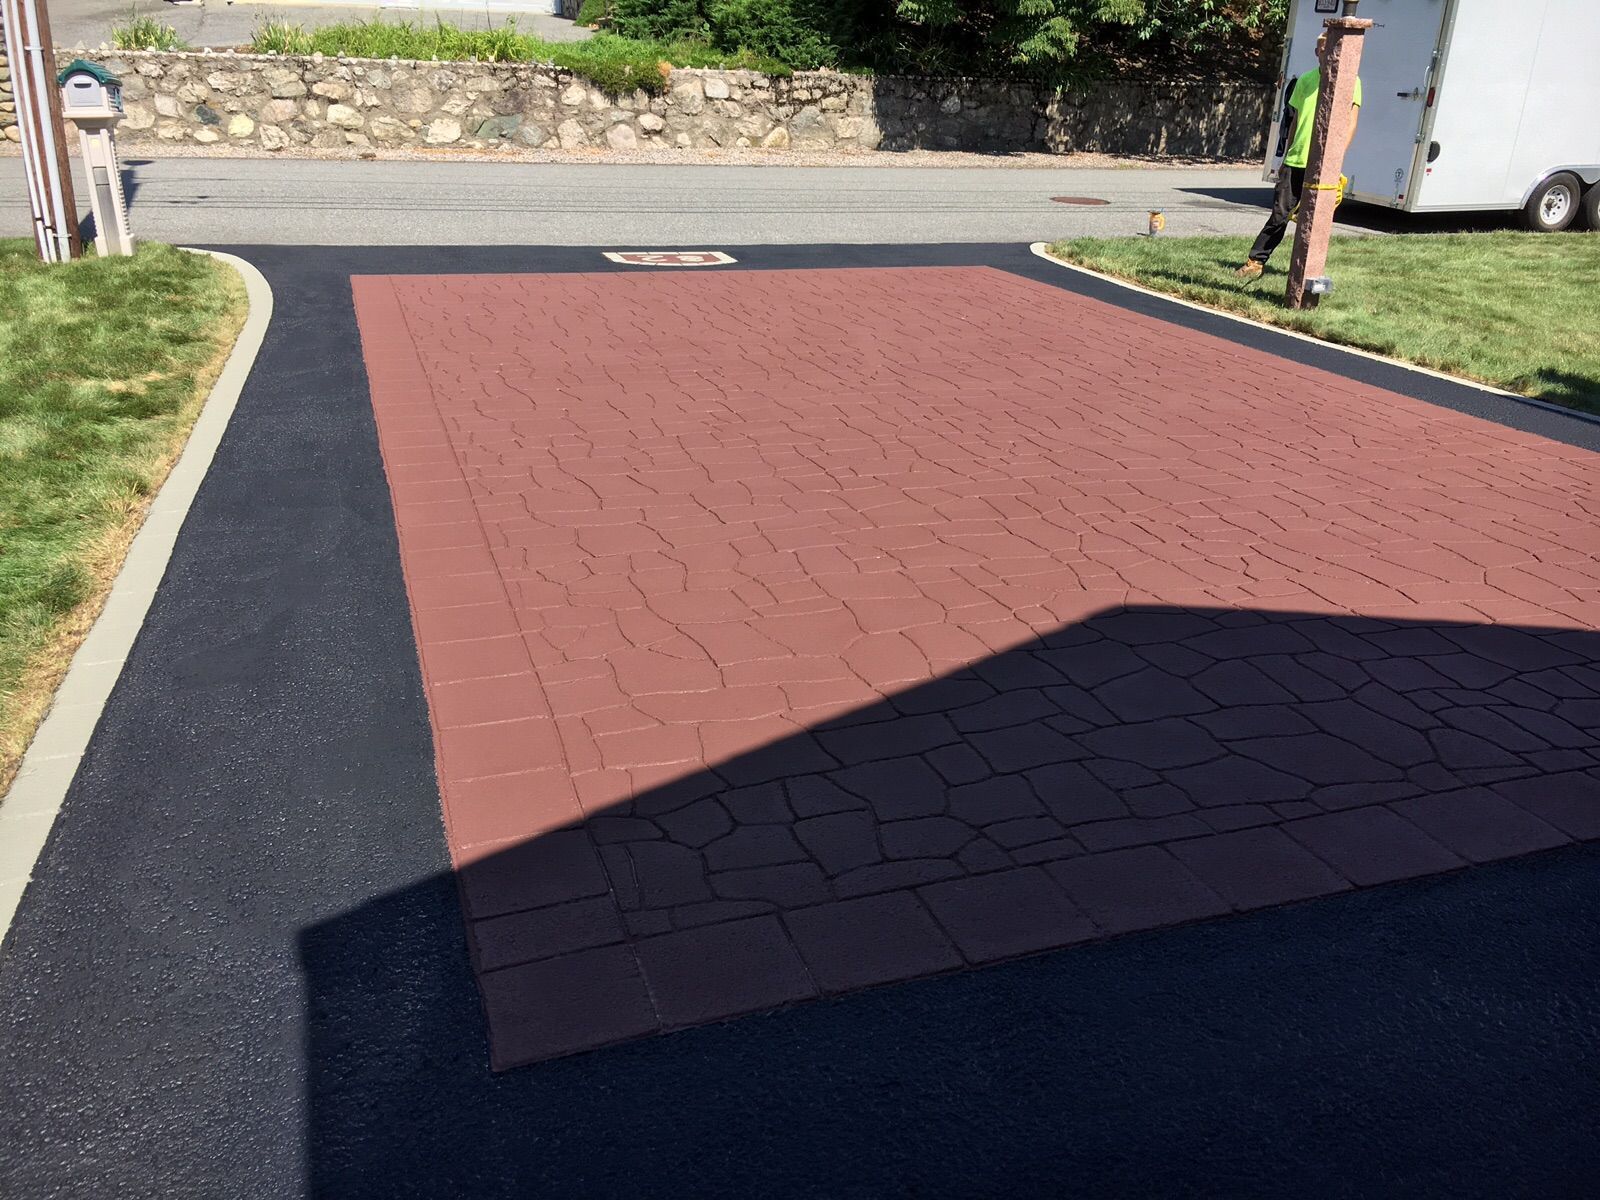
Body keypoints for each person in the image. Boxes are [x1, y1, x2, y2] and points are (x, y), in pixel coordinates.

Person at [1237, 33, 1361, 280]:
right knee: (1279, 215)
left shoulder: (1350, 81)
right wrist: (1287, 154)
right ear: (1317, 53)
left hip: (1323, 165)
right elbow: (1293, 122)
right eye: (1321, 49)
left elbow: (1351, 123)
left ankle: (1307, 271)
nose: (1326, 54)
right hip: (1296, 161)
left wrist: (1335, 158)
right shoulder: (1305, 80)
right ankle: (1256, 262)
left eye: (1331, 49)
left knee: (1314, 221)